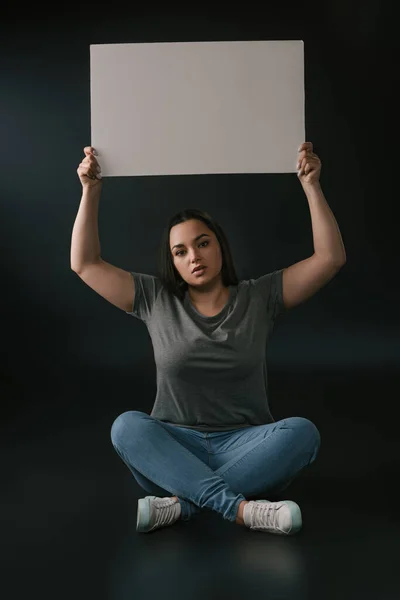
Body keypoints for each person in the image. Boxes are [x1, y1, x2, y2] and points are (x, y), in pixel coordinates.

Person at [71, 143, 346, 535]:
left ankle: (182, 506)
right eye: (180, 251)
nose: (193, 256)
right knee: (127, 427)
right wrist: (90, 190)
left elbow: (329, 258)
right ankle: (243, 510)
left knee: (302, 433)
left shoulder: (259, 296)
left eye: (202, 243)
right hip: (173, 447)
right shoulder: (154, 298)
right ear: (173, 262)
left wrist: (312, 185)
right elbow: (84, 264)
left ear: (219, 245)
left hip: (247, 446)